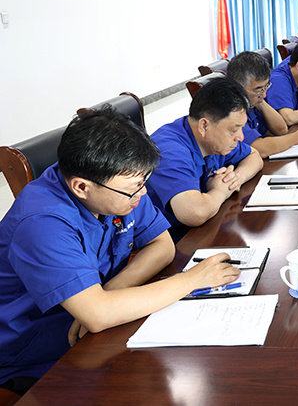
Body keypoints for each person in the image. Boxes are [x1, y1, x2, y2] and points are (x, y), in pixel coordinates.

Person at [0, 108, 240, 396]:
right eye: (134, 188)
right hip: (36, 354)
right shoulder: (42, 221)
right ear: (81, 187)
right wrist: (192, 280)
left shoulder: (120, 185)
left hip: (95, 325)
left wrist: (110, 292)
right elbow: (98, 315)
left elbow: (162, 246)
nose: (142, 194)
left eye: (143, 183)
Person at [147, 77, 263, 230]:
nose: (241, 137)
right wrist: (221, 191)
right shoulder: (168, 151)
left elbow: (254, 156)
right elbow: (195, 213)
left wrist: (235, 178)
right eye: (234, 130)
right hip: (174, 238)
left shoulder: (213, 141)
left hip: (206, 226)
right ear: (204, 126)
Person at [226, 51, 298, 158]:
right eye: (258, 89)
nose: (264, 94)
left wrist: (261, 102)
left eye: (266, 86)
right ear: (237, 88)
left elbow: (281, 130)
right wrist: (297, 138)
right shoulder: (231, 109)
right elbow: (260, 148)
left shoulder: (252, 102)